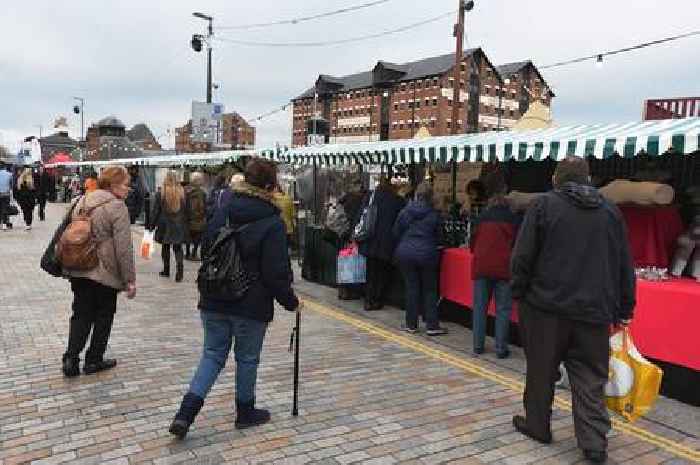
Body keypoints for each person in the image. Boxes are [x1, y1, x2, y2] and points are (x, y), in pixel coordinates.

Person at [510, 157, 636, 463]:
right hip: (593, 312)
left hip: (546, 308)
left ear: (556, 179)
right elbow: (624, 265)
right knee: (590, 378)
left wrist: (518, 292)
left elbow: (522, 256)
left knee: (541, 370)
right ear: (588, 179)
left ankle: (538, 425)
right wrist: (625, 306)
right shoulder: (610, 212)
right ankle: (594, 443)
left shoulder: (543, 206)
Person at [169, 159, 299, 439]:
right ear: (268, 186)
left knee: (212, 356)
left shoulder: (224, 209)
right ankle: (245, 412)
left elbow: (206, 247)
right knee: (247, 359)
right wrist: (291, 302)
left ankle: (185, 414)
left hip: (215, 295)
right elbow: (276, 273)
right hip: (251, 303)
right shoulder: (271, 221)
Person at [61, 166, 137, 377]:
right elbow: (124, 247)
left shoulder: (82, 200)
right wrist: (129, 279)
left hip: (78, 266)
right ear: (113, 185)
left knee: (80, 314)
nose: (128, 189)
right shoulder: (116, 206)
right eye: (125, 184)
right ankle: (93, 359)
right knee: (104, 315)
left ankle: (71, 358)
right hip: (104, 272)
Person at [469, 171, 521, 358]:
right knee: (503, 309)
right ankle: (500, 348)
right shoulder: (513, 220)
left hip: (482, 267)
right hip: (504, 269)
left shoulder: (481, 218)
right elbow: (517, 245)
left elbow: (472, 244)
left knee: (480, 307)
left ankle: (478, 346)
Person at [393, 183, 448, 335]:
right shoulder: (434, 214)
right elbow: (440, 238)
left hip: (406, 253)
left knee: (412, 288)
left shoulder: (405, 212)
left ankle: (411, 324)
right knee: (429, 289)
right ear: (431, 197)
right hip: (427, 254)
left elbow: (396, 231)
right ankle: (431, 326)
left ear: (417, 195)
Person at [358, 177, 405, 310]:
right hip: (387, 241)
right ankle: (377, 299)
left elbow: (361, 216)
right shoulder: (397, 200)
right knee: (382, 272)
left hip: (370, 239)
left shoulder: (370, 197)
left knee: (370, 272)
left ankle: (368, 300)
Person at [151, 171, 188, 282]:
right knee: (178, 248)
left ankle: (166, 270)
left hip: (165, 224)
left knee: (165, 247)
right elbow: (186, 210)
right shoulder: (182, 193)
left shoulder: (161, 193)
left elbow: (156, 211)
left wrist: (151, 225)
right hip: (178, 223)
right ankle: (180, 271)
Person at [336, 182, 366, 300]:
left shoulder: (346, 198)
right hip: (352, 234)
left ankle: (343, 290)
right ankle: (352, 291)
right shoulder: (361, 201)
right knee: (353, 262)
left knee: (344, 262)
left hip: (342, 232)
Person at [185, 172, 207, 261]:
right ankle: (194, 253)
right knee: (198, 236)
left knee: (188, 236)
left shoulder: (186, 191)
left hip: (188, 218)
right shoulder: (202, 193)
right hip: (198, 218)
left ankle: (187, 253)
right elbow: (203, 206)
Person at [0, 162, 13, 230]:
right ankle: (5, 223)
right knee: (5, 208)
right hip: (6, 194)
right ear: (4, 167)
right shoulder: (9, 174)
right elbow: (12, 185)